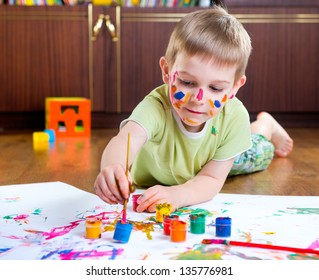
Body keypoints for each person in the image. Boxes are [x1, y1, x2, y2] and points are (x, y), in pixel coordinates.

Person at [93, 6, 293, 213]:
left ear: (235, 87)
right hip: (176, 169)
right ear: (167, 71)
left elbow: (211, 178)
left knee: (256, 153)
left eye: (215, 88)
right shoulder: (156, 106)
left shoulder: (233, 116)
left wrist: (179, 195)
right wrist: (113, 167)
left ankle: (265, 126)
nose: (199, 99)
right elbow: (127, 139)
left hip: (215, 161)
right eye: (187, 82)